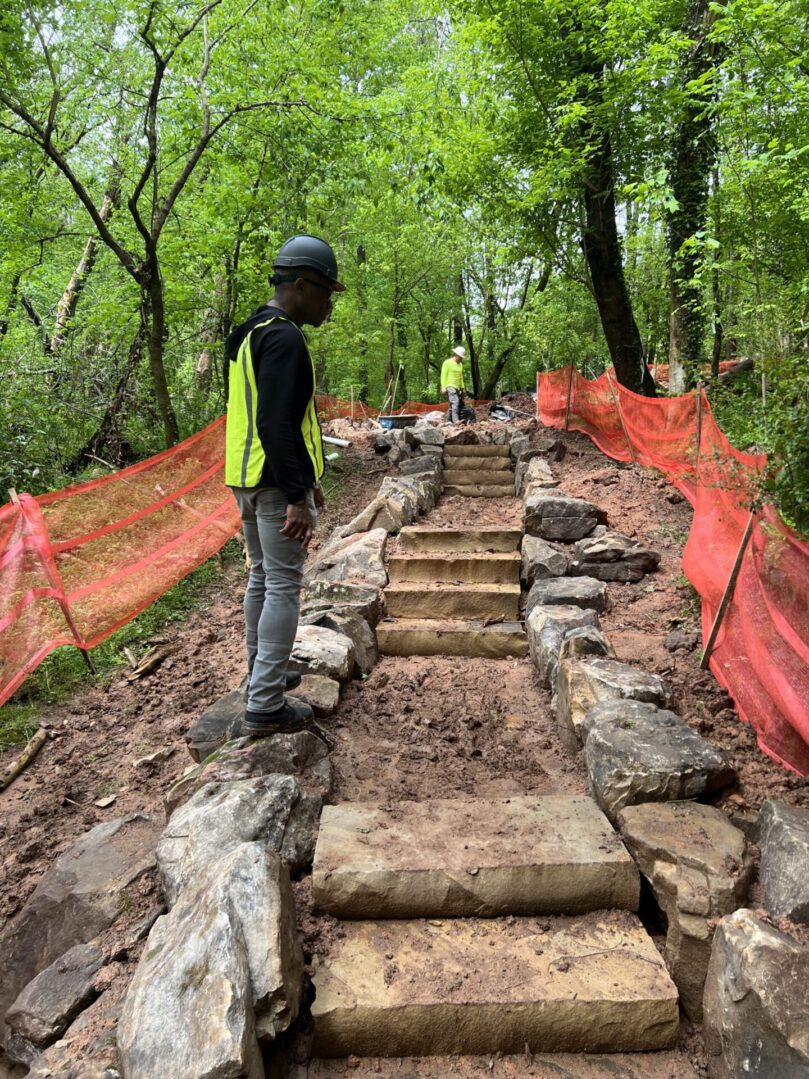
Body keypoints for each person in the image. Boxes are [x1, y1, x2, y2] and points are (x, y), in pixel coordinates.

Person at [224, 234, 345, 736]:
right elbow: (276, 422)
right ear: (300, 284)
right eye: (325, 292)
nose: (328, 303)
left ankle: (261, 675)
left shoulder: (249, 331)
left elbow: (266, 417)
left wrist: (307, 478)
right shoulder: (286, 338)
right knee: (283, 585)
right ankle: (265, 704)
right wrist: (295, 493)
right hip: (274, 485)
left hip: (246, 476)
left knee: (261, 579)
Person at [441, 345, 467, 423]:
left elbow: (461, 377)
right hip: (450, 385)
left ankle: (448, 421)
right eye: (460, 357)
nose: (461, 359)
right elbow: (443, 375)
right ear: (457, 355)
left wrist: (463, 388)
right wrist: (443, 387)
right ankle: (456, 421)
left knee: (451, 404)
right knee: (455, 402)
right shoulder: (447, 363)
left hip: (457, 387)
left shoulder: (460, 365)